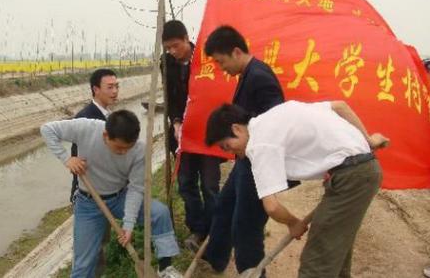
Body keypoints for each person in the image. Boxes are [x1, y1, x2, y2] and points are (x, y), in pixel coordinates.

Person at [205, 101, 388, 278]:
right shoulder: (273, 115)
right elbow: (340, 106)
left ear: (236, 129)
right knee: (335, 247)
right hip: (353, 172)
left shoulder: (259, 145)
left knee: (317, 259)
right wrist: (369, 141)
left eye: (227, 146)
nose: (230, 152)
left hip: (353, 177)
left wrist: (293, 223)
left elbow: (272, 207)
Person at [41, 110, 182, 278]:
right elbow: (47, 129)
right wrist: (66, 159)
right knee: (84, 263)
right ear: (106, 135)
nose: (123, 152)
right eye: (119, 147)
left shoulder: (139, 150)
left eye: (127, 148)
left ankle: (165, 268)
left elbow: (136, 189)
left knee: (159, 213)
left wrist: (128, 225)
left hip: (119, 197)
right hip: (88, 204)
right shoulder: (86, 128)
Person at [202, 25, 291, 274]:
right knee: (224, 206)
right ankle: (215, 260)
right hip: (246, 160)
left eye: (221, 62)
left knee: (246, 227)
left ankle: (251, 272)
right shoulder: (248, 74)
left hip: (257, 164)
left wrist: (257, 154)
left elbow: (277, 122)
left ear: (236, 51)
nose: (222, 69)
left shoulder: (260, 78)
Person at [161, 20, 223, 251]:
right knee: (186, 183)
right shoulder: (166, 63)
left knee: (209, 184)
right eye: (168, 48)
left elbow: (216, 94)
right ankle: (197, 229)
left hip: (207, 135)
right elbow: (171, 98)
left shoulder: (208, 59)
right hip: (183, 136)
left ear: (187, 38)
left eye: (176, 46)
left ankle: (215, 230)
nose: (173, 52)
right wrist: (176, 122)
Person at [69, 68, 119, 276]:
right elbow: (78, 161)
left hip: (104, 193)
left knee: (99, 244)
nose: (115, 91)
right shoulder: (86, 119)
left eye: (117, 86)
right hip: (90, 195)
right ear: (95, 90)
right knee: (88, 253)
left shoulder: (108, 116)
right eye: (110, 87)